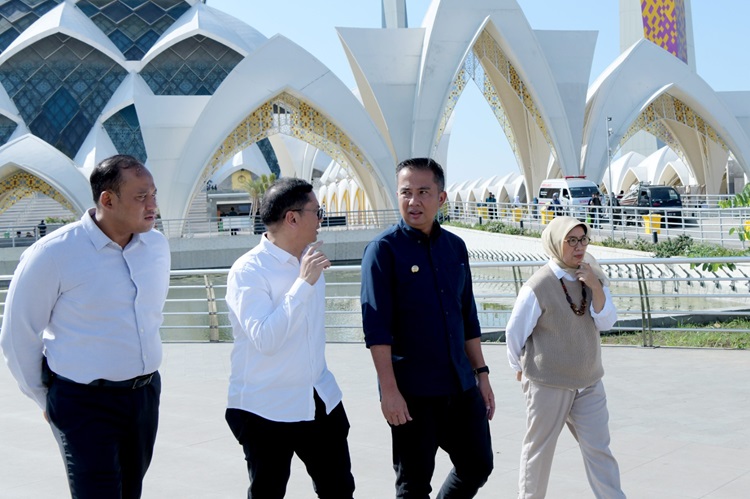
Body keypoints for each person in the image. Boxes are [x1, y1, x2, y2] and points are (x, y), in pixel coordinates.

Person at [0, 154, 170, 498]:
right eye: (141, 197)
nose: (152, 205)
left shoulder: (157, 247)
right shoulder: (53, 254)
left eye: (153, 194)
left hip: (144, 396)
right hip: (83, 402)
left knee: (131, 491)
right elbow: (18, 334)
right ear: (107, 200)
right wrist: (43, 397)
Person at [361, 157, 494, 498]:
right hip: (413, 393)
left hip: (460, 385)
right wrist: (388, 391)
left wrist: (482, 374)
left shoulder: (455, 247)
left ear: (442, 197)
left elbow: (467, 316)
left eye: (423, 192)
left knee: (478, 464)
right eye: (406, 192)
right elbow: (376, 331)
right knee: (413, 483)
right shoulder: (382, 251)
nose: (414, 201)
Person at [224, 177, 355, 499]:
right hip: (265, 408)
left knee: (339, 490)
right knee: (268, 493)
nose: (321, 219)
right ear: (292, 218)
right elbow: (265, 339)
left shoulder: (308, 259)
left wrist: (305, 278)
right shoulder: (248, 271)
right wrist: (302, 284)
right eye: (317, 211)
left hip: (319, 397)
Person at [505, 216, 625, 499]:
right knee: (539, 451)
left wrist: (595, 286)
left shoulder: (592, 274)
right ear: (556, 244)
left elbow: (606, 322)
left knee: (599, 451)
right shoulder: (539, 285)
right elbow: (514, 333)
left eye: (583, 239)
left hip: (589, 382)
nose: (579, 246)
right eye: (571, 240)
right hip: (549, 384)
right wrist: (519, 369)